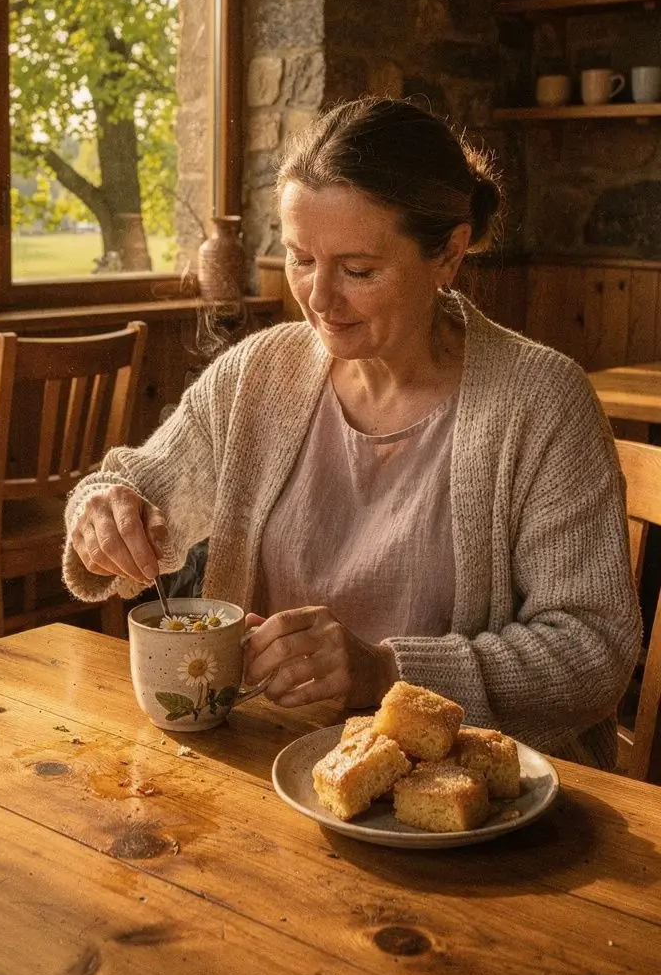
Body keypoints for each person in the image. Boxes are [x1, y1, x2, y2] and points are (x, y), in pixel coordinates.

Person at [64, 97, 640, 767]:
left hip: (476, 800)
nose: (320, 299)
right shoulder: (259, 374)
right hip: (278, 770)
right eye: (301, 260)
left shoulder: (540, 403)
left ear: (448, 254)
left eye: (359, 270)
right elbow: (137, 484)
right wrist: (101, 509)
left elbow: (593, 649)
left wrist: (387, 674)